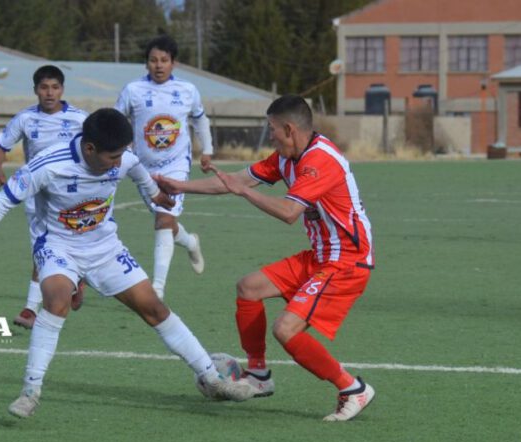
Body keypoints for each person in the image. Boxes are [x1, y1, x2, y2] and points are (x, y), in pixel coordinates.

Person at [0, 108, 255, 417]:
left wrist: (154, 196)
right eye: (113, 156)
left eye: (122, 154)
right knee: (56, 302)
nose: (119, 162)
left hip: (106, 248)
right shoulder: (48, 166)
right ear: (90, 148)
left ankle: (212, 379)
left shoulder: (123, 159)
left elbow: (139, 174)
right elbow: (3, 202)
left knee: (155, 309)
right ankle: (30, 391)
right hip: (58, 246)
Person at [155, 95, 376, 422]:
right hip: (320, 256)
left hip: (346, 262)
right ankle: (258, 376)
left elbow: (288, 212)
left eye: (272, 129)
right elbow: (235, 181)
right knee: (249, 287)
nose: (269, 135)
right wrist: (179, 185)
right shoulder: (287, 156)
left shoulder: (320, 161)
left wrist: (243, 192)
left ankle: (352, 389)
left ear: (289, 129)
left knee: (286, 329)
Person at [0, 65, 89, 329]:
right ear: (35, 90)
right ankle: (30, 310)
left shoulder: (80, 119)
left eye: (55, 87)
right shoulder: (25, 119)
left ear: (62, 90)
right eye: (44, 87)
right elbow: (1, 146)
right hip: (36, 197)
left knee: (71, 246)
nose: (49, 93)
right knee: (40, 250)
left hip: (72, 196)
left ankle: (76, 277)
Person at [115, 35, 210, 301]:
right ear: (146, 64)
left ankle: (157, 288)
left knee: (163, 220)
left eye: (164, 60)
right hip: (143, 167)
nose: (159, 65)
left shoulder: (188, 90)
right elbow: (116, 120)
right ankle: (190, 242)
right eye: (153, 60)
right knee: (166, 223)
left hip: (177, 164)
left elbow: (201, 121)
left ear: (174, 63)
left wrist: (208, 150)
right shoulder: (132, 90)